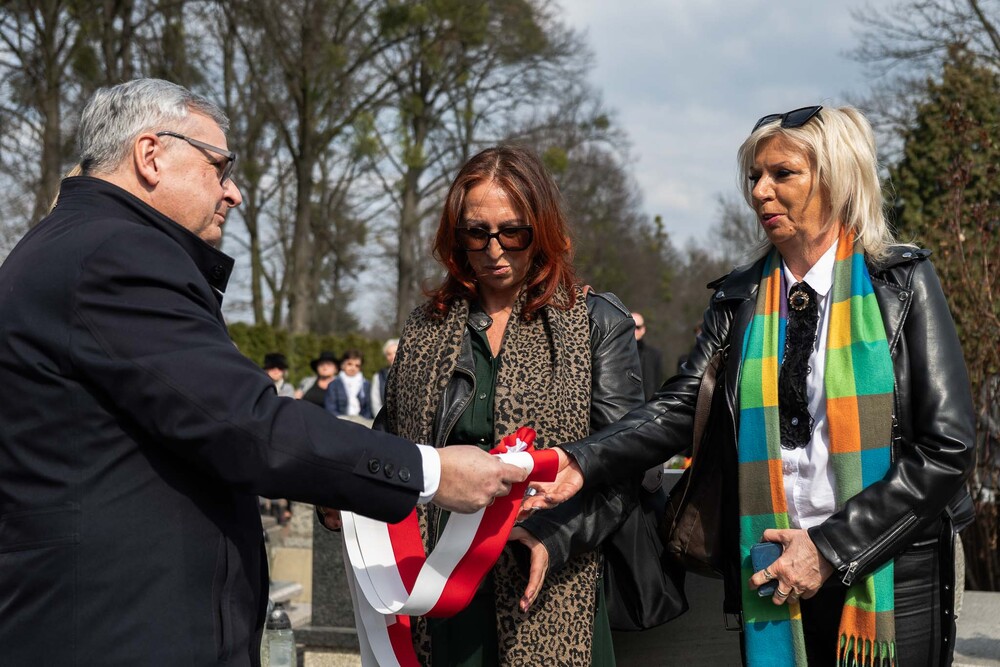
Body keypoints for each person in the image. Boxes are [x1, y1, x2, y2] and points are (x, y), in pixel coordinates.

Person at [0, 78, 527, 665]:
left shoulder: (74, 245)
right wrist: (427, 473)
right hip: (119, 629)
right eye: (219, 166)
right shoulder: (117, 255)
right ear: (151, 155)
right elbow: (243, 423)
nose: (234, 192)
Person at [528, 106, 975, 666]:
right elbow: (682, 406)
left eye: (782, 174)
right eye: (753, 177)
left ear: (836, 177)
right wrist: (581, 461)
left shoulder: (901, 282)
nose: (760, 192)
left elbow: (947, 447)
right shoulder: (738, 297)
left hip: (888, 566)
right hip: (771, 562)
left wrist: (830, 549)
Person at [374, 145, 644, 666]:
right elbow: (391, 442)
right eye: (477, 232)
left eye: (513, 232)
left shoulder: (596, 321)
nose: (495, 249)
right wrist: (340, 498)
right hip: (442, 588)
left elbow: (623, 464)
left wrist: (552, 536)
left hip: (547, 581)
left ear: (540, 230)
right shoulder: (426, 325)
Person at [325, 348, 373, 420]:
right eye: (349, 364)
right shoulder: (334, 384)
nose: (353, 368)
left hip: (361, 424)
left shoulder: (366, 385)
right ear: (343, 365)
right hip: (339, 422)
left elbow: (369, 408)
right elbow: (331, 408)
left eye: (357, 365)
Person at [631, 311, 663, 400]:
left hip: (647, 407)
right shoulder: (617, 353)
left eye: (637, 327)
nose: (634, 330)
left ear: (643, 329)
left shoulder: (654, 355)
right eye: (631, 327)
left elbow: (657, 384)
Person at [369, 337, 398, 417]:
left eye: (395, 352)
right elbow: (375, 403)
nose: (392, 357)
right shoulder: (378, 377)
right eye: (389, 354)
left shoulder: (410, 374)